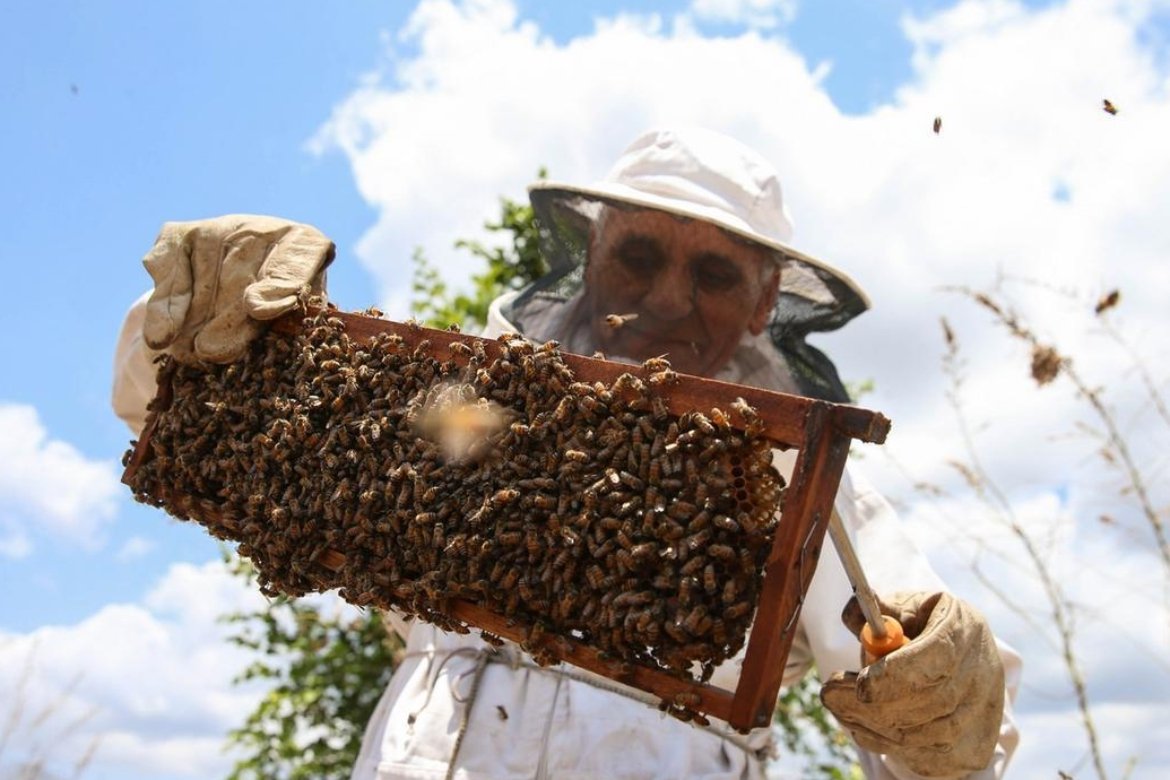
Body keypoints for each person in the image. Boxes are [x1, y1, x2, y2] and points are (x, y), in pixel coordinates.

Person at [112, 127, 1021, 779]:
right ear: (592, 256)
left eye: (712, 274)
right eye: (639, 257)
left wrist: (952, 698)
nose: (666, 298)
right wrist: (215, 327)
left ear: (764, 300)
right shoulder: (475, 413)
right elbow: (210, 424)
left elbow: (929, 719)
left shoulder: (788, 479)